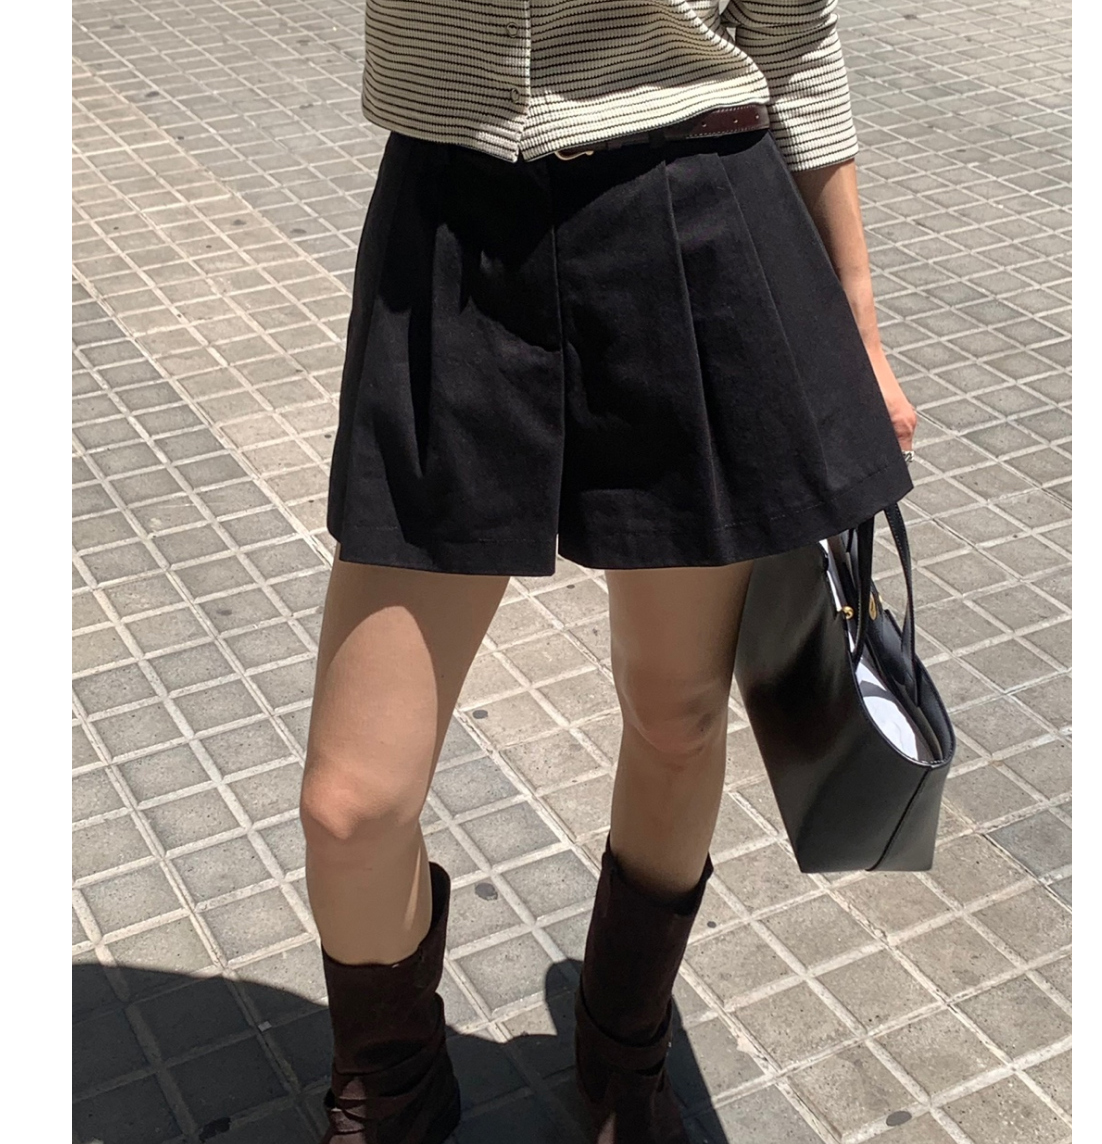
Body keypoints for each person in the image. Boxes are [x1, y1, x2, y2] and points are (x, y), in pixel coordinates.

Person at [299, 2, 917, 1142]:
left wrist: (861, 329)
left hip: (692, 220)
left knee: (677, 716)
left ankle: (622, 1048)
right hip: (451, 228)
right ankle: (393, 1089)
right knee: (351, 806)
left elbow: (789, 35)